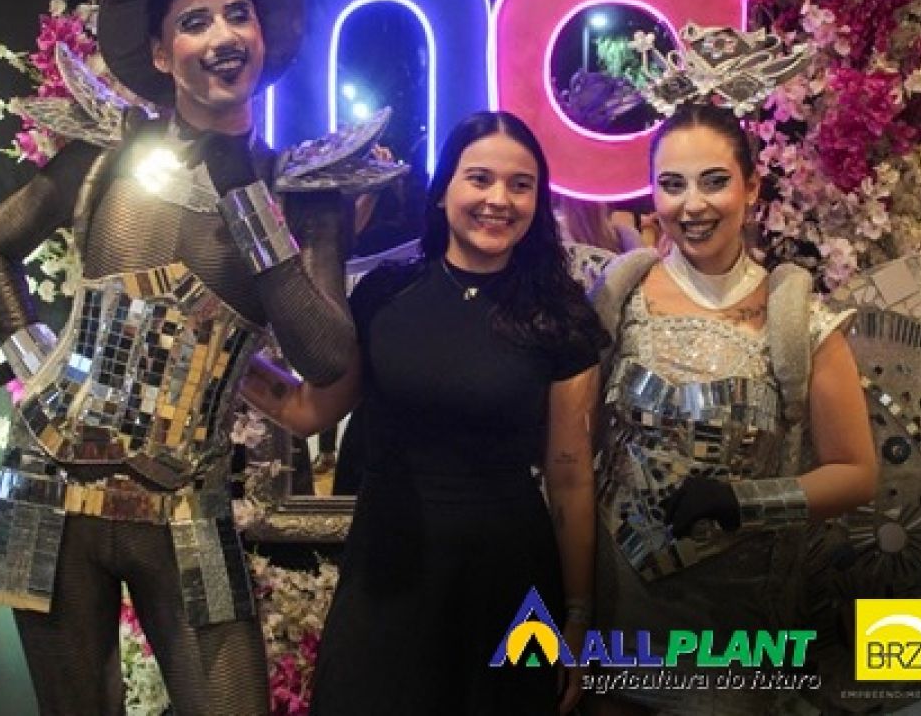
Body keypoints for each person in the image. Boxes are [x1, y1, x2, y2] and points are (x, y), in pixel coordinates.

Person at [0, 0, 359, 716]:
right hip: (47, 484)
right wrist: (36, 358)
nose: (222, 36)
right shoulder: (105, 155)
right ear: (159, 53)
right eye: (195, 21)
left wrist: (245, 194)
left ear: (263, 37)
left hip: (187, 502)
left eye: (238, 15)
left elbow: (324, 356)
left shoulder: (301, 192)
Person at [244, 111, 609, 715]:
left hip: (507, 575)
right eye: (480, 179)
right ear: (443, 192)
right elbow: (309, 412)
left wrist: (578, 614)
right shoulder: (385, 294)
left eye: (520, 185)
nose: (499, 200)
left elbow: (570, 476)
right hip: (388, 569)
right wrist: (221, 350)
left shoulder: (560, 316)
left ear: (537, 202)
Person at [588, 103, 877, 715]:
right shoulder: (618, 297)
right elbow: (575, 447)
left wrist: (742, 503)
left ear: (752, 188)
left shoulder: (799, 319)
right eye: (672, 184)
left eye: (714, 181)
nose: (692, 205)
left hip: (734, 636)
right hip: (617, 619)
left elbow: (856, 473)